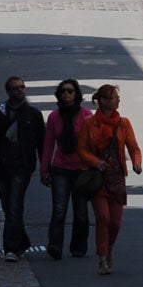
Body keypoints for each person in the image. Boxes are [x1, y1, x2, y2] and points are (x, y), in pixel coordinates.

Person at [0, 77, 45, 261]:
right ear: (8, 92)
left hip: (22, 167)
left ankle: (10, 249)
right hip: (2, 167)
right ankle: (22, 242)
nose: (19, 91)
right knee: (8, 207)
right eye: (15, 88)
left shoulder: (33, 115)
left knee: (14, 207)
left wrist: (45, 166)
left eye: (21, 87)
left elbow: (41, 144)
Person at [77, 84, 142, 274]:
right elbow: (81, 150)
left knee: (116, 222)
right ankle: (102, 257)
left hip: (117, 178)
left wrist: (137, 163)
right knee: (103, 217)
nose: (118, 100)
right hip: (97, 178)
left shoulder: (123, 123)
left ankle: (109, 247)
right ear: (104, 101)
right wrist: (95, 162)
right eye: (114, 97)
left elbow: (133, 147)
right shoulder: (89, 123)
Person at [40, 78, 93, 260]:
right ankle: (55, 244)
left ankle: (78, 247)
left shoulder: (86, 115)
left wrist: (94, 166)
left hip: (81, 169)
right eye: (63, 91)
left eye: (70, 91)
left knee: (80, 210)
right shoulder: (54, 117)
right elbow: (48, 145)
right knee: (59, 208)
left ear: (76, 94)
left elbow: (93, 144)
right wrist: (44, 169)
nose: (66, 94)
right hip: (60, 168)